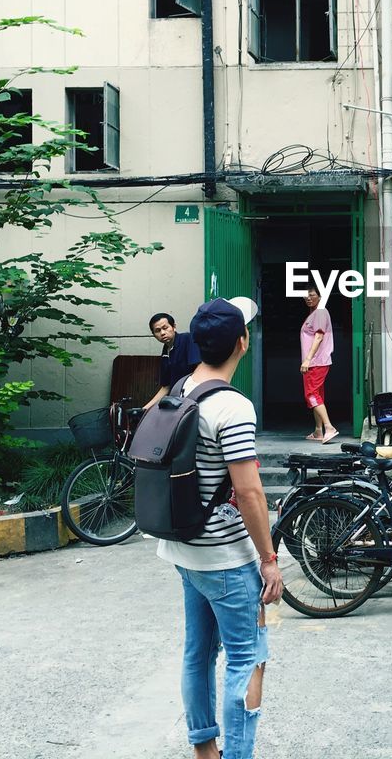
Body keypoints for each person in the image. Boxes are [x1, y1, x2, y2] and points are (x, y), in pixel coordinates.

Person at [156, 296, 283, 759]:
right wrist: (269, 561)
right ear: (242, 343)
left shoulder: (182, 389)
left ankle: (204, 751)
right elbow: (249, 494)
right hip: (226, 558)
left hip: (186, 552)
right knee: (248, 659)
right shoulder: (233, 407)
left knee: (198, 654)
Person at [300, 283, 337, 443]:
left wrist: (307, 359)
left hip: (316, 362)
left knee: (311, 394)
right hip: (317, 362)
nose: (308, 298)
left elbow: (319, 336)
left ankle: (329, 427)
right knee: (317, 395)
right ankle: (318, 431)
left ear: (320, 297)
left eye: (312, 294)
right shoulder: (315, 313)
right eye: (306, 295)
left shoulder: (320, 312)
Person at [143, 312, 201, 410]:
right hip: (177, 403)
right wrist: (144, 409)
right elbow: (166, 387)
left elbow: (199, 370)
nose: (162, 333)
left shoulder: (187, 339)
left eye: (165, 328)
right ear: (153, 335)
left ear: (174, 327)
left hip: (194, 400)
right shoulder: (165, 351)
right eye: (157, 331)